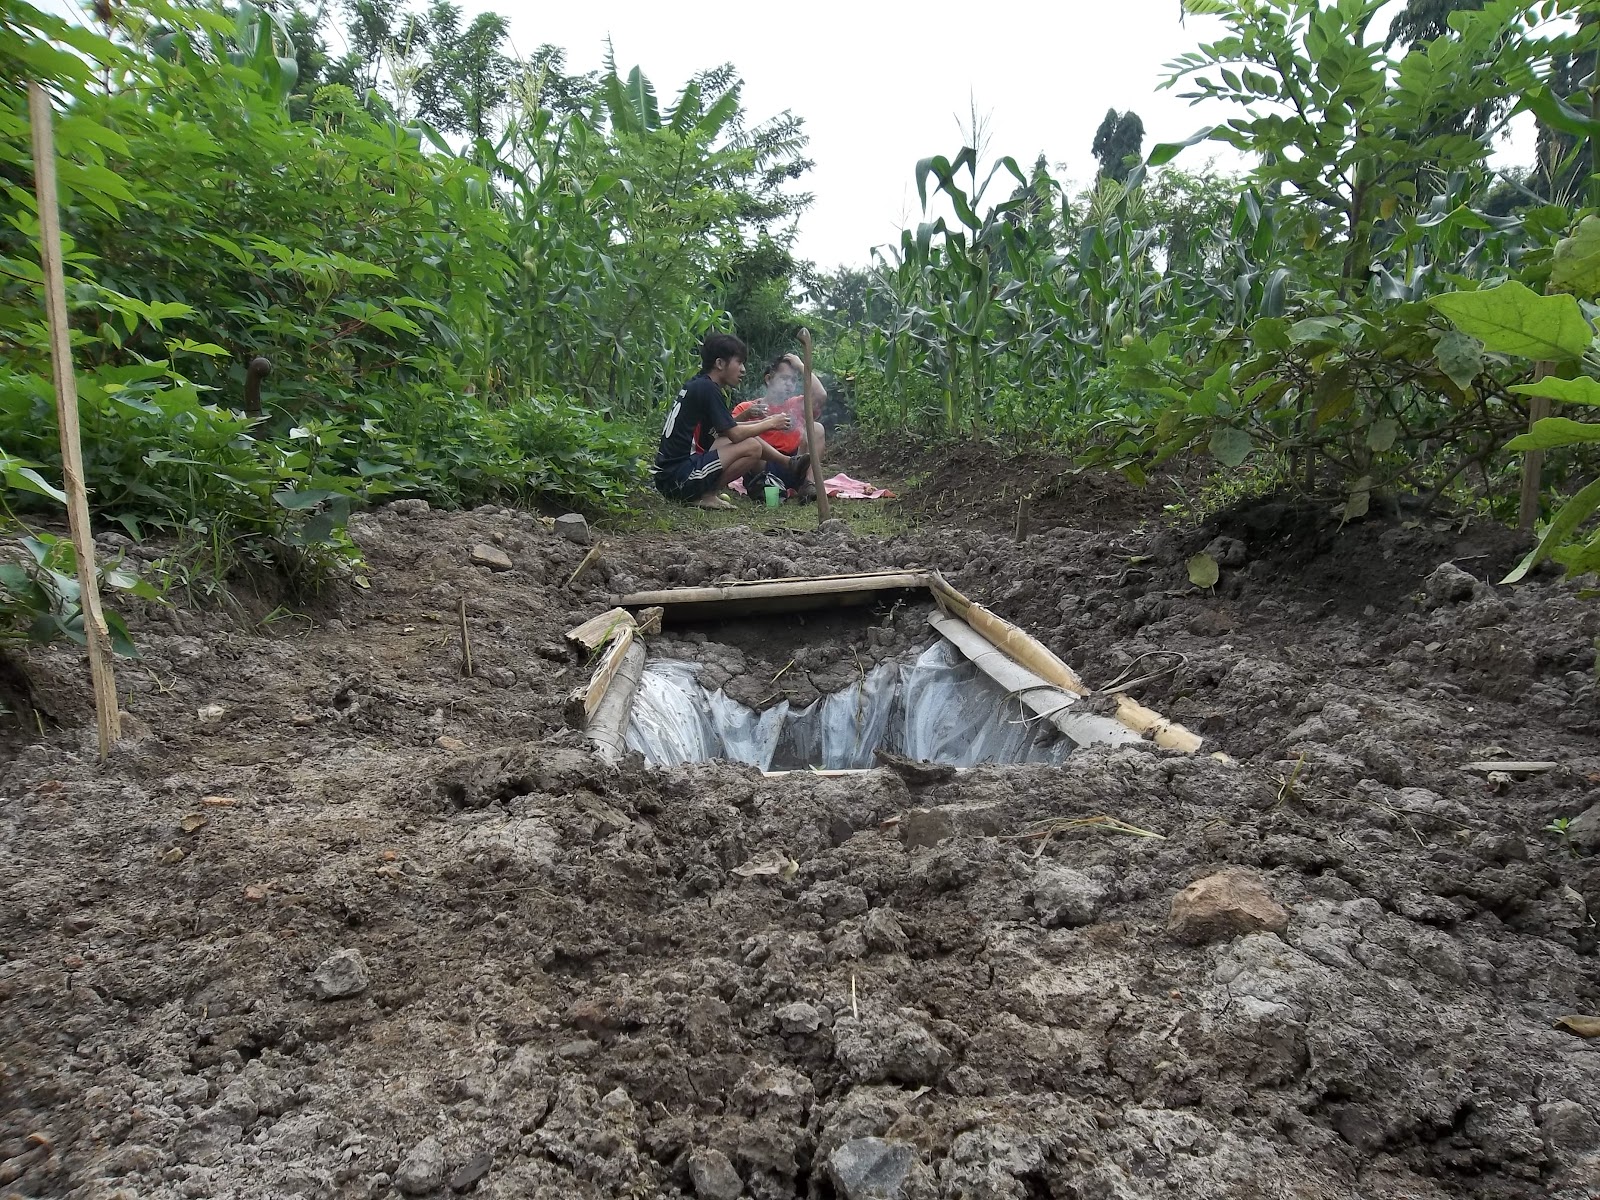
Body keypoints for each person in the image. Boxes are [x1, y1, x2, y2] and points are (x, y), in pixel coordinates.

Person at [653, 333, 809, 510]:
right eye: (739, 362)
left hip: (670, 475)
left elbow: (726, 430)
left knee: (749, 441)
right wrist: (771, 423)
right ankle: (705, 495)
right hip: (678, 477)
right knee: (752, 447)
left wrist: (768, 420)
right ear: (720, 364)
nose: (743, 369)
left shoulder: (700, 384)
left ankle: (789, 463)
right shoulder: (708, 389)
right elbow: (735, 434)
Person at [732, 352, 827, 502]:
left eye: (794, 380)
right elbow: (727, 431)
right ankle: (770, 488)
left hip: (797, 466)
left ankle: (809, 485)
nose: (789, 384)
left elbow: (820, 395)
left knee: (817, 428)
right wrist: (747, 415)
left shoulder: (796, 405)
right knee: (749, 440)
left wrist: (801, 366)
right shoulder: (747, 407)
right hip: (764, 470)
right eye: (784, 378)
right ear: (769, 379)